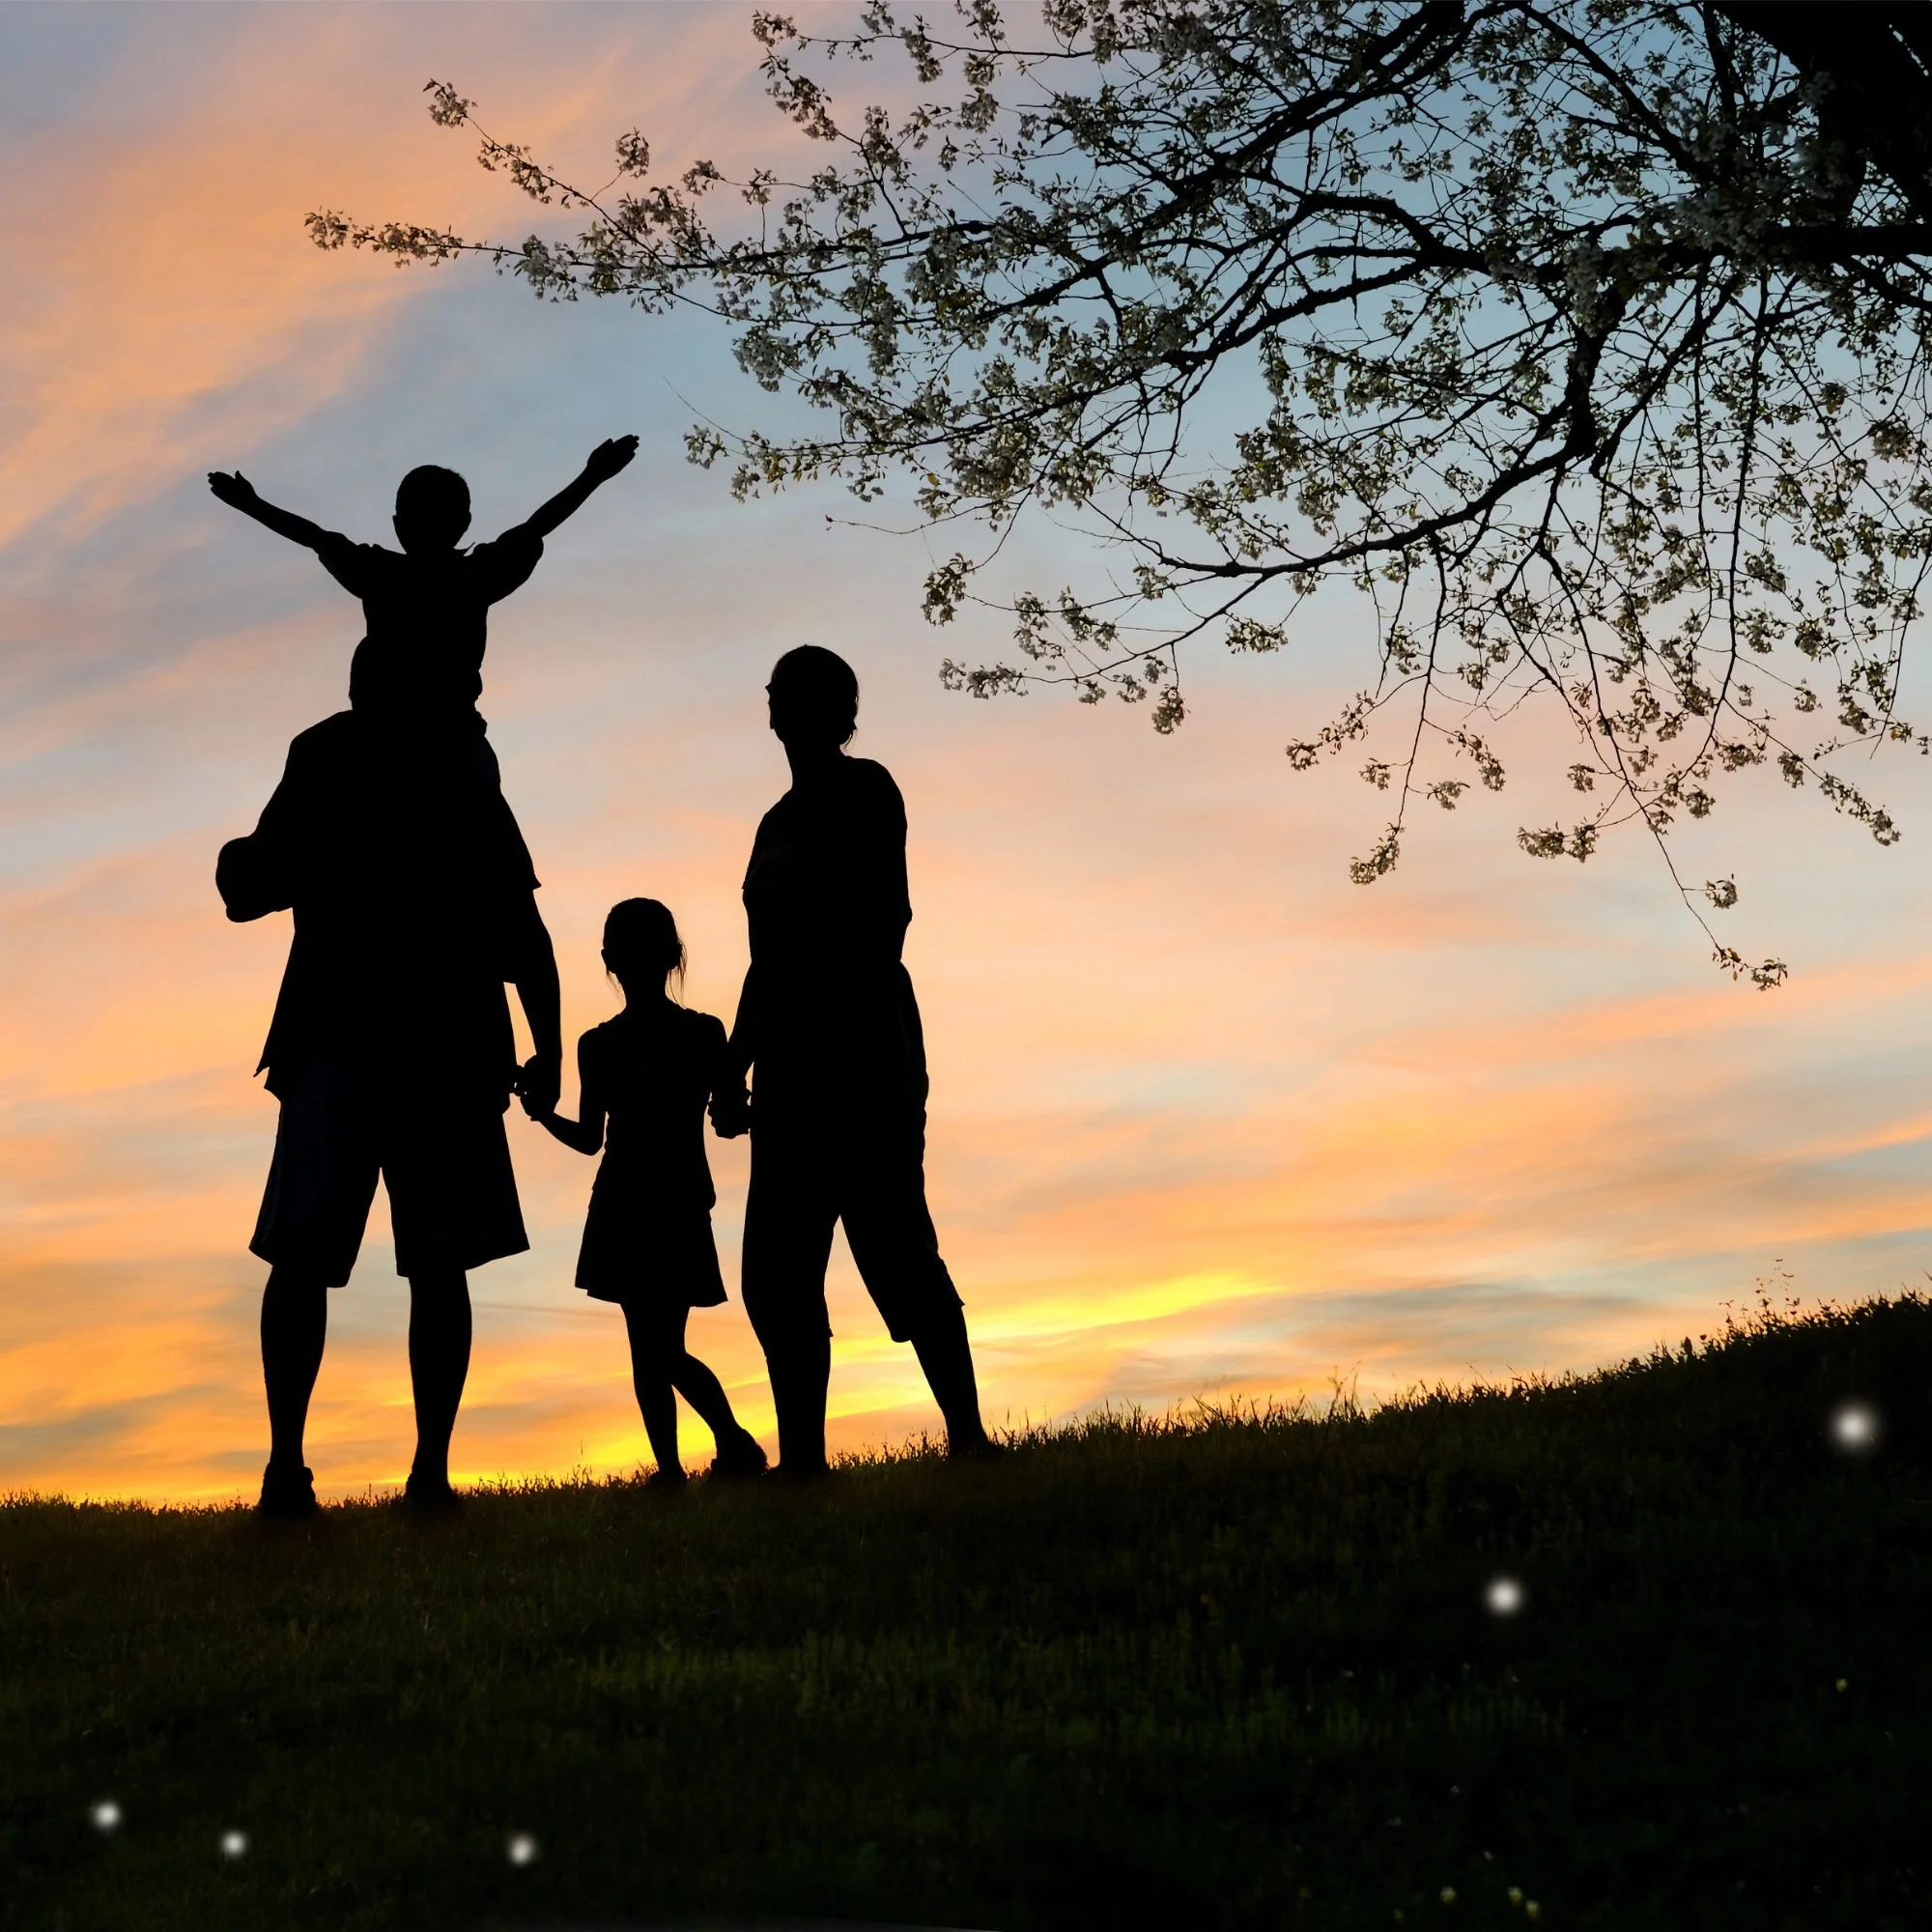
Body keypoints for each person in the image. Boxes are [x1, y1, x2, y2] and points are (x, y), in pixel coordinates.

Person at [218, 689, 565, 1520]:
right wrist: (547, 1044)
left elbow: (249, 884)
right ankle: (413, 1473)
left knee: (317, 1259)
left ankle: (304, 1469)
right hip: (421, 1043)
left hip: (359, 1040)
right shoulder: (452, 758)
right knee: (419, 1266)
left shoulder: (343, 752)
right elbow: (523, 924)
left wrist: (247, 862)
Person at [712, 645, 995, 1477]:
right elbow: (763, 961)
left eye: (790, 695)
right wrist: (736, 1065)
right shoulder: (773, 824)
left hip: (864, 1053)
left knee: (897, 1247)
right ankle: (803, 1460)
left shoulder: (869, 789)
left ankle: (969, 1437)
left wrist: (800, 1019)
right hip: (792, 1071)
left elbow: (883, 922)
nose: (778, 709)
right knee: (776, 1272)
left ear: (830, 709)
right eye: (776, 695)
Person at [521, 898, 768, 1487]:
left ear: (608, 960)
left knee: (651, 1347)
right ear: (673, 955)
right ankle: (704, 1457)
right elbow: (732, 1114)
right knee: (662, 1345)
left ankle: (705, 1455)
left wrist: (539, 1115)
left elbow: (587, 1140)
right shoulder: (703, 1034)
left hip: (631, 1204)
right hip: (672, 1200)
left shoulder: (599, 1044)